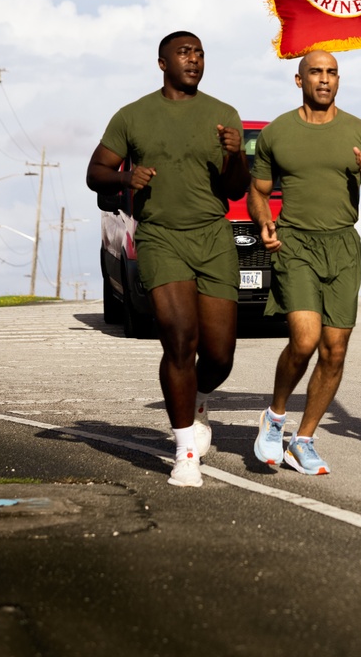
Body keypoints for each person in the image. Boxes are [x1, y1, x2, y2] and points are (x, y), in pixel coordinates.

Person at [86, 31, 249, 488]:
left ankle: (193, 397)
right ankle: (184, 452)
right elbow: (94, 172)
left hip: (213, 237)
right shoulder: (134, 115)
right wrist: (125, 176)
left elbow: (236, 189)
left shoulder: (222, 114)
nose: (194, 59)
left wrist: (235, 155)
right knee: (179, 338)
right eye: (184, 52)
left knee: (219, 357)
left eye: (199, 53)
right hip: (160, 237)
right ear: (162, 63)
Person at [249, 50, 361, 475]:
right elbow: (258, 190)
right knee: (306, 340)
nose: (325, 80)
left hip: (343, 246)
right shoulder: (278, 132)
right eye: (316, 72)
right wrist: (264, 222)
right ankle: (274, 419)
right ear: (300, 80)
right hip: (295, 243)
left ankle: (304, 439)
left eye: (331, 73)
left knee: (335, 350)